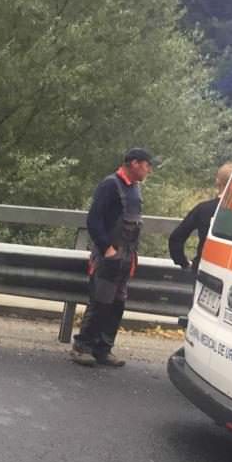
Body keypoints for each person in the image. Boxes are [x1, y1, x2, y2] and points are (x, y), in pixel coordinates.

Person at [71, 148, 154, 368]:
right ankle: (82, 347)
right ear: (135, 163)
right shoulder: (110, 184)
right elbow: (94, 220)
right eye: (147, 164)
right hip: (109, 256)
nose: (149, 169)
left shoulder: (135, 188)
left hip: (127, 257)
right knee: (100, 301)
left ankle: (103, 349)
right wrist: (107, 249)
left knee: (117, 304)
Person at [168, 162, 232, 273]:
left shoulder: (202, 209)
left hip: (203, 269)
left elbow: (176, 238)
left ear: (217, 182)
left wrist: (183, 263)